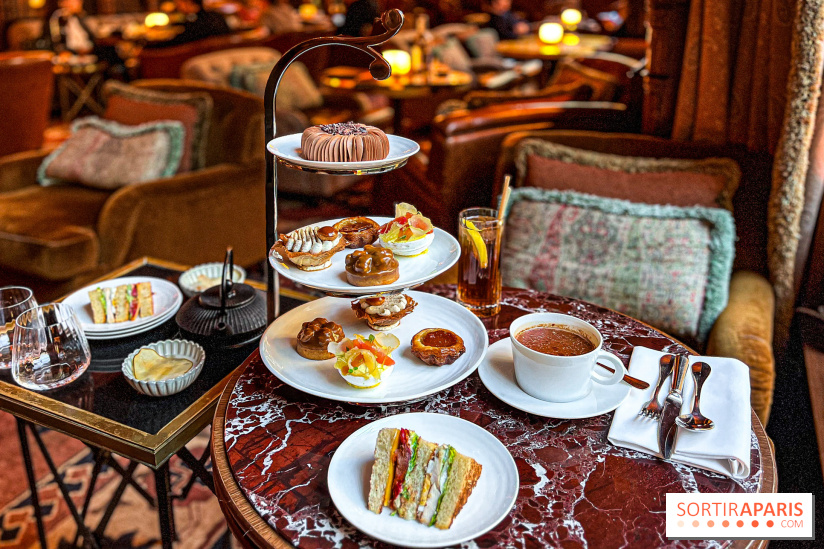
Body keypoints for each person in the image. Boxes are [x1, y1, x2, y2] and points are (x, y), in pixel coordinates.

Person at [153, 0, 231, 47]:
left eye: (179, 3)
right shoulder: (216, 16)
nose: (178, 7)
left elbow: (177, 42)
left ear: (188, 2)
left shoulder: (196, 25)